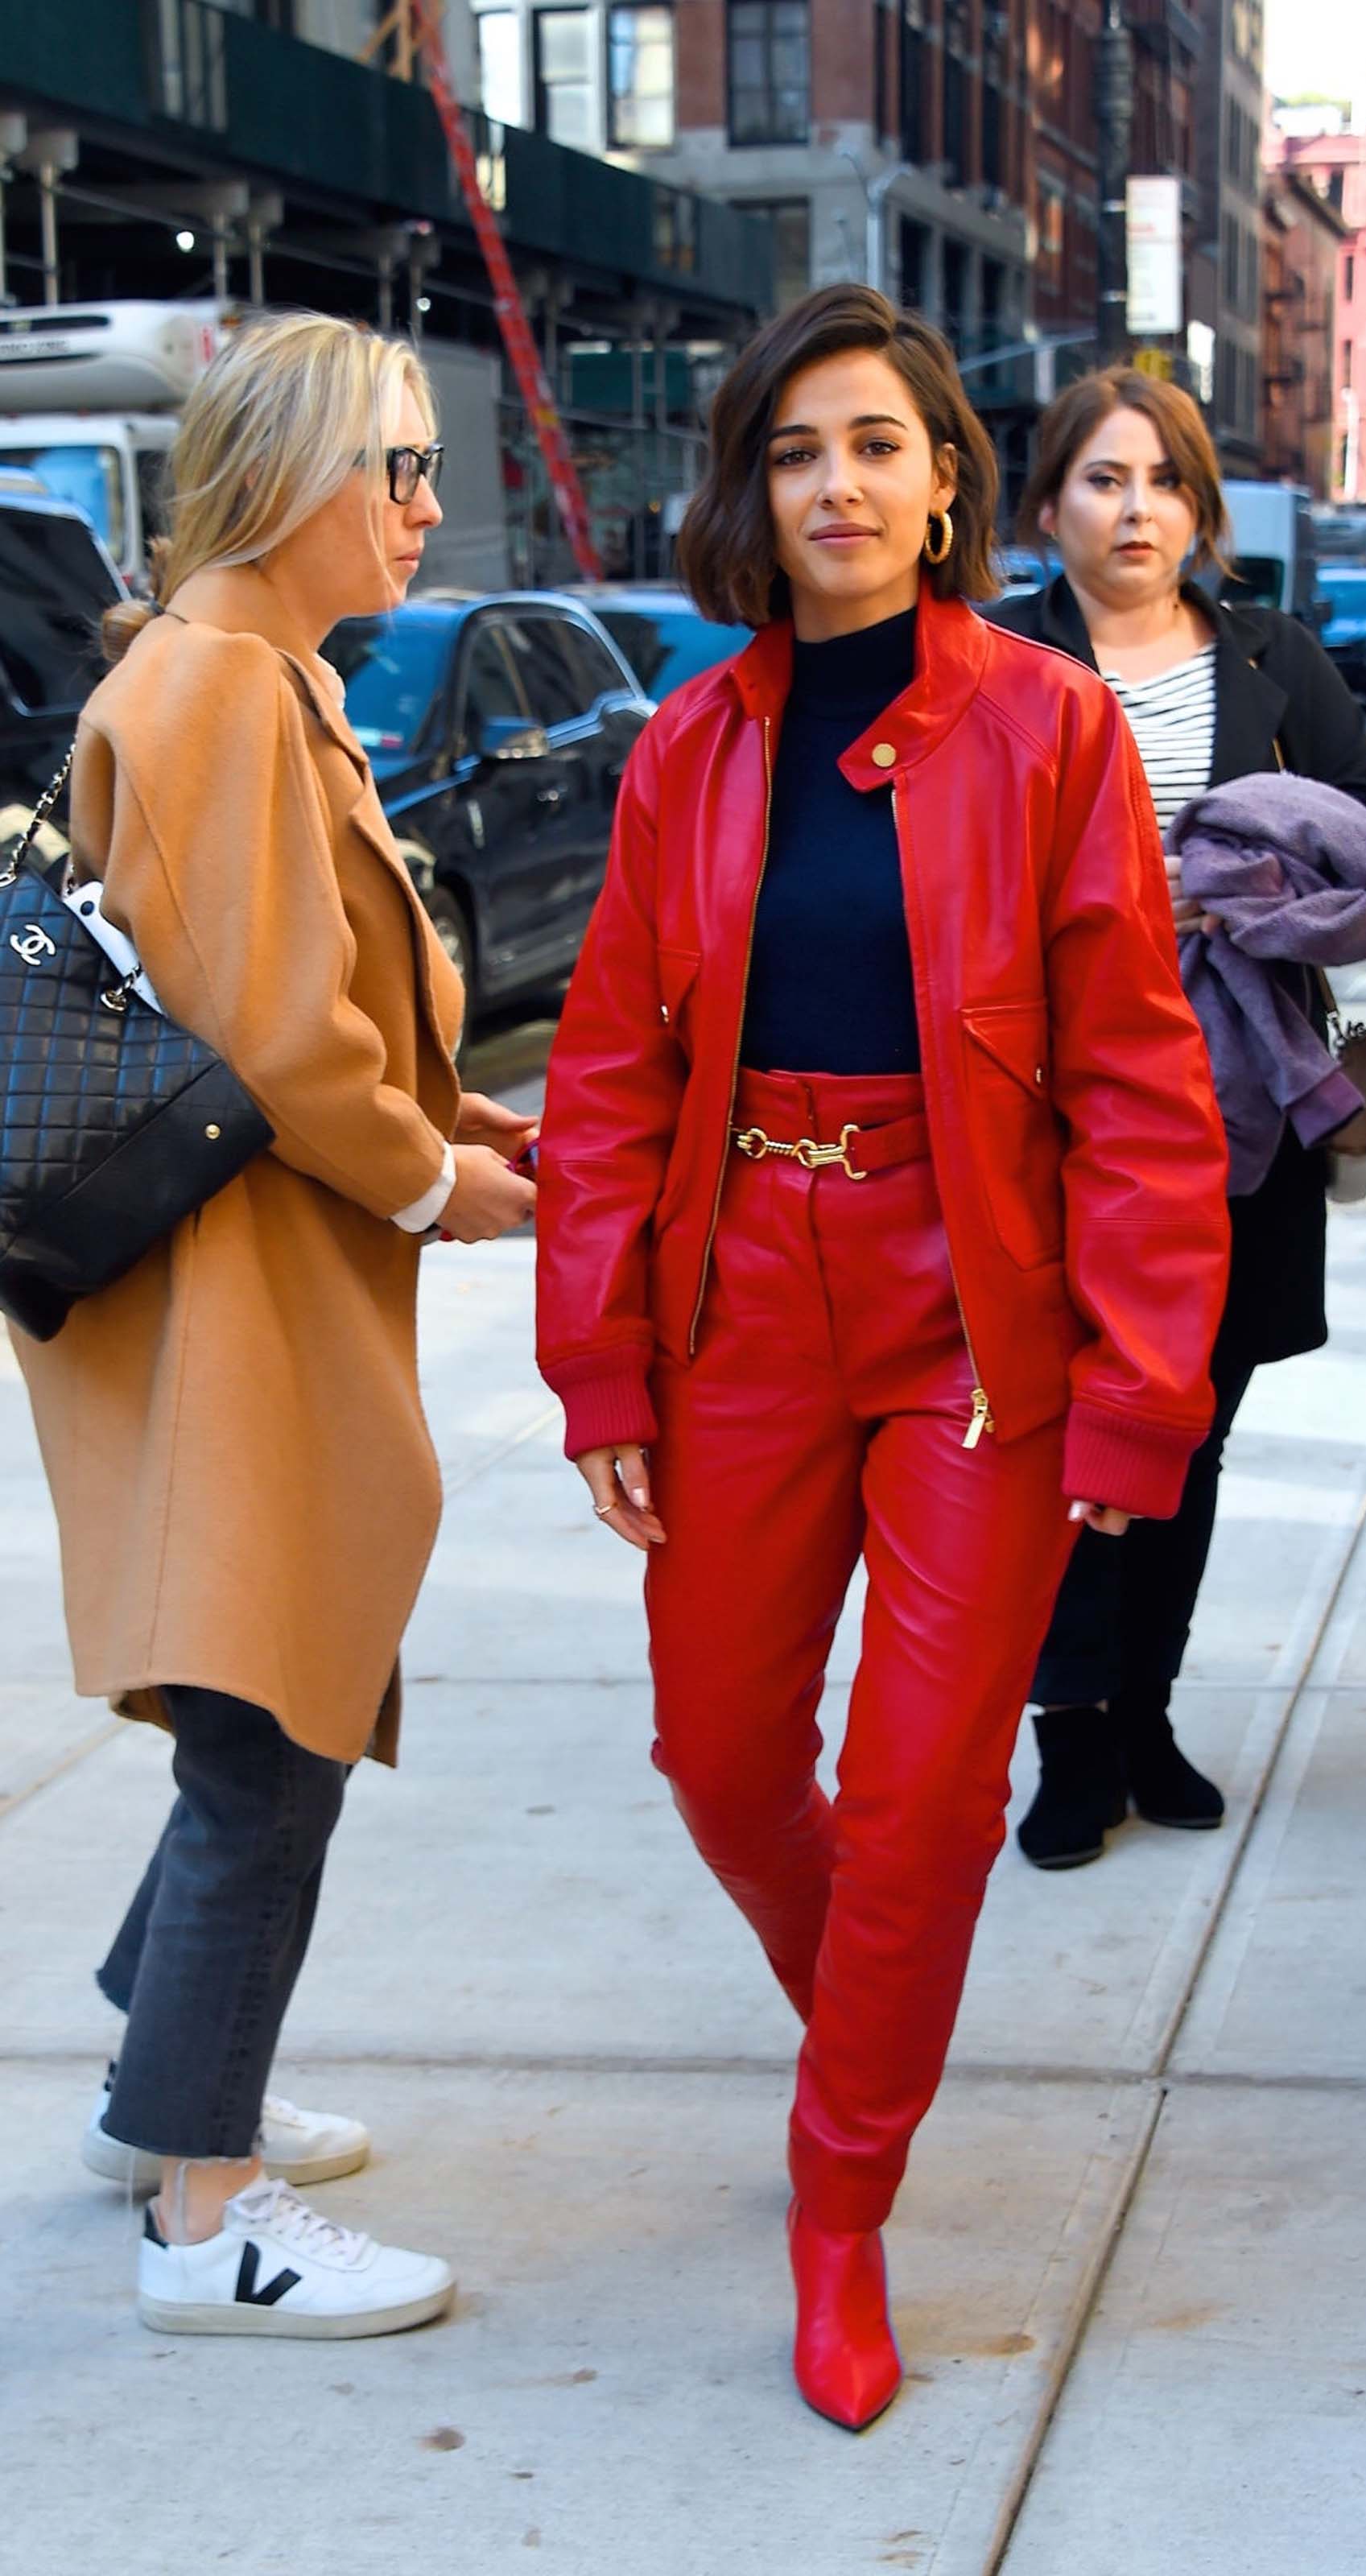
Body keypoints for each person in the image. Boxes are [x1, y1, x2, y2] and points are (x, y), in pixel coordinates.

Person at [534, 287, 1229, 2427]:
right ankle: (867, 2011)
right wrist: (601, 1373)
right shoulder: (689, 742)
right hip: (743, 1292)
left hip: (969, 1318)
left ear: (944, 487)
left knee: (921, 1800)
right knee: (721, 1757)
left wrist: (1138, 1385)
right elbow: (603, 1082)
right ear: (749, 489)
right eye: (791, 449)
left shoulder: (1045, 725)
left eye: (873, 445)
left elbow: (1131, 1075)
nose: (831, 483)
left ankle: (838, 2197)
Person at [11, 312, 538, 2336]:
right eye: (386, 467)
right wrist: (426, 1177)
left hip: (244, 1268)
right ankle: (201, 2211)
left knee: (262, 1692)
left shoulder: (244, 674)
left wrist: (439, 1104)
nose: (420, 505)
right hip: (242, 1284)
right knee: (271, 1728)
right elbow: (273, 1030)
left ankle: (168, 2091)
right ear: (281, 475)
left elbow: (284, 992)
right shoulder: (228, 684)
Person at [986, 369, 1366, 1869]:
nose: (1134, 505)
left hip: (1230, 1109)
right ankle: (1068, 1738)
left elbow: (1363, 876)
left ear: (1199, 508)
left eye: (1161, 479)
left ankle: (1145, 1717)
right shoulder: (985, 657)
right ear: (1047, 508)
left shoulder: (1277, 661)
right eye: (1101, 479)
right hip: (1034, 1112)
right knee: (1050, 1432)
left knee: (1190, 1429)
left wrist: (1257, 875)